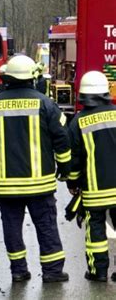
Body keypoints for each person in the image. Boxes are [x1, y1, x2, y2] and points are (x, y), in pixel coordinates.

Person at [0, 55, 71, 283]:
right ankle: (53, 272)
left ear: (8, 78)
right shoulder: (45, 103)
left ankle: (18, 270)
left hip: (6, 185)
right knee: (46, 226)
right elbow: (62, 140)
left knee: (12, 227)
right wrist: (65, 169)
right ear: (31, 78)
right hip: (40, 184)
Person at [67, 71, 116, 283]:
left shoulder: (79, 122)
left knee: (95, 229)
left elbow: (74, 159)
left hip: (95, 189)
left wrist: (73, 183)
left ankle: (99, 272)